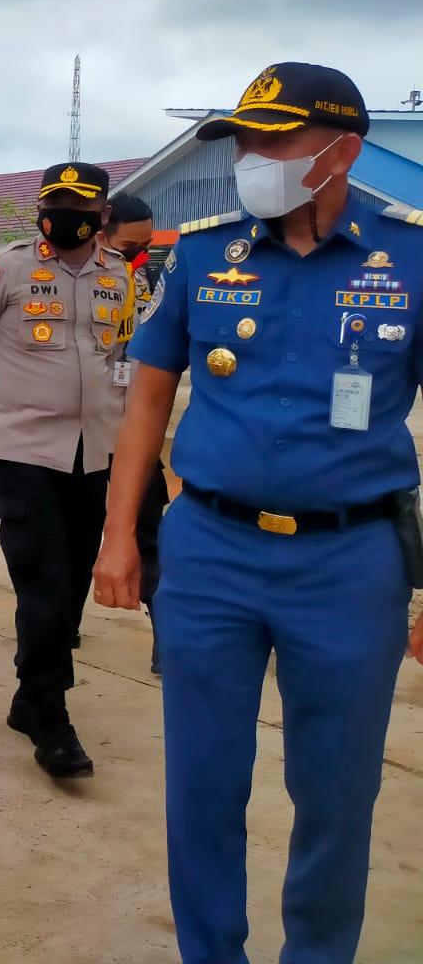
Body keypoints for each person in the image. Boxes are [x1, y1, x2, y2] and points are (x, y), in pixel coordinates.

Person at [95, 63, 423, 964]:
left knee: (336, 792)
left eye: (273, 142)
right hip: (211, 552)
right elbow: (146, 403)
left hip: (352, 562)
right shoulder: (204, 254)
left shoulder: (411, 255)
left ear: (342, 151)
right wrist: (121, 536)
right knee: (202, 783)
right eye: (243, 140)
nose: (250, 159)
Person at [0, 162, 130, 779]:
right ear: (41, 210)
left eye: (81, 207)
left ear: (103, 215)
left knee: (72, 577)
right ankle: (51, 713)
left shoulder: (120, 276)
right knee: (43, 577)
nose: (66, 216)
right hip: (22, 450)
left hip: (94, 448)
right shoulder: (3, 270)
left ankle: (29, 695)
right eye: (56, 205)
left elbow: (122, 356)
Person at [99, 193, 168, 674]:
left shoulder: (146, 280)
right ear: (101, 232)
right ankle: (58, 630)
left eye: (146, 248)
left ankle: (166, 638)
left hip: (132, 428)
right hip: (78, 431)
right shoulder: (72, 277)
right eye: (130, 247)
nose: (139, 256)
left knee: (152, 536)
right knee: (67, 542)